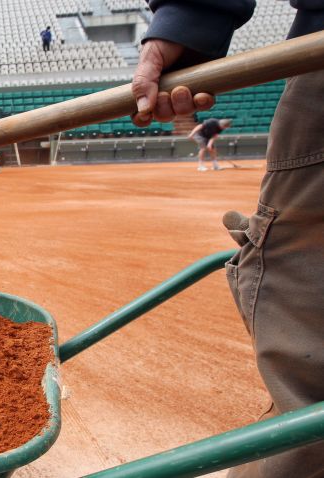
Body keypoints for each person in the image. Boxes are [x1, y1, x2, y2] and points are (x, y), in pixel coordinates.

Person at [131, 2, 324, 477]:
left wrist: (190, 18)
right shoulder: (209, 126)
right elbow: (203, 127)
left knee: (311, 381)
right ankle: (205, 161)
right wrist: (191, 19)